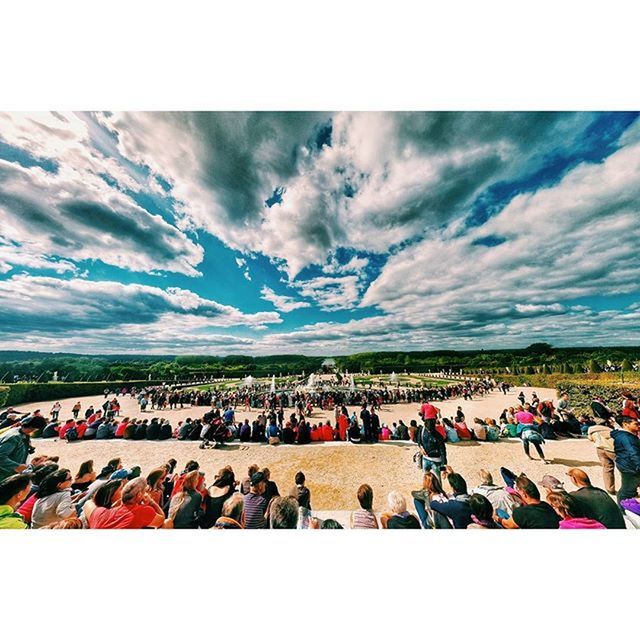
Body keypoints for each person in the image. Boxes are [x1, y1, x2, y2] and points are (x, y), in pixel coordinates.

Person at [495, 475, 560, 529]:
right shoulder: (547, 505)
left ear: (523, 493)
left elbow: (508, 525)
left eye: (518, 490)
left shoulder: (522, 512)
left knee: (499, 512)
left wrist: (495, 517)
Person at [0, 415, 45, 481]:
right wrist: (16, 466)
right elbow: (1, 456)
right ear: (34, 428)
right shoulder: (14, 437)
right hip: (4, 475)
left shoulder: (22, 433)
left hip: (11, 473)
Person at [611, 420, 640, 503]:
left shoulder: (626, 435)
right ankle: (623, 511)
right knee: (627, 491)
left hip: (628, 465)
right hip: (630, 467)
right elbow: (633, 452)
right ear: (625, 424)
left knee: (629, 489)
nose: (638, 426)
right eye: (636, 424)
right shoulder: (625, 437)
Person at [587, 422, 617, 494]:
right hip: (611, 450)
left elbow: (590, 439)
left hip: (600, 450)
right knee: (625, 468)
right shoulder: (608, 431)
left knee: (607, 468)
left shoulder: (591, 431)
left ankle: (609, 488)